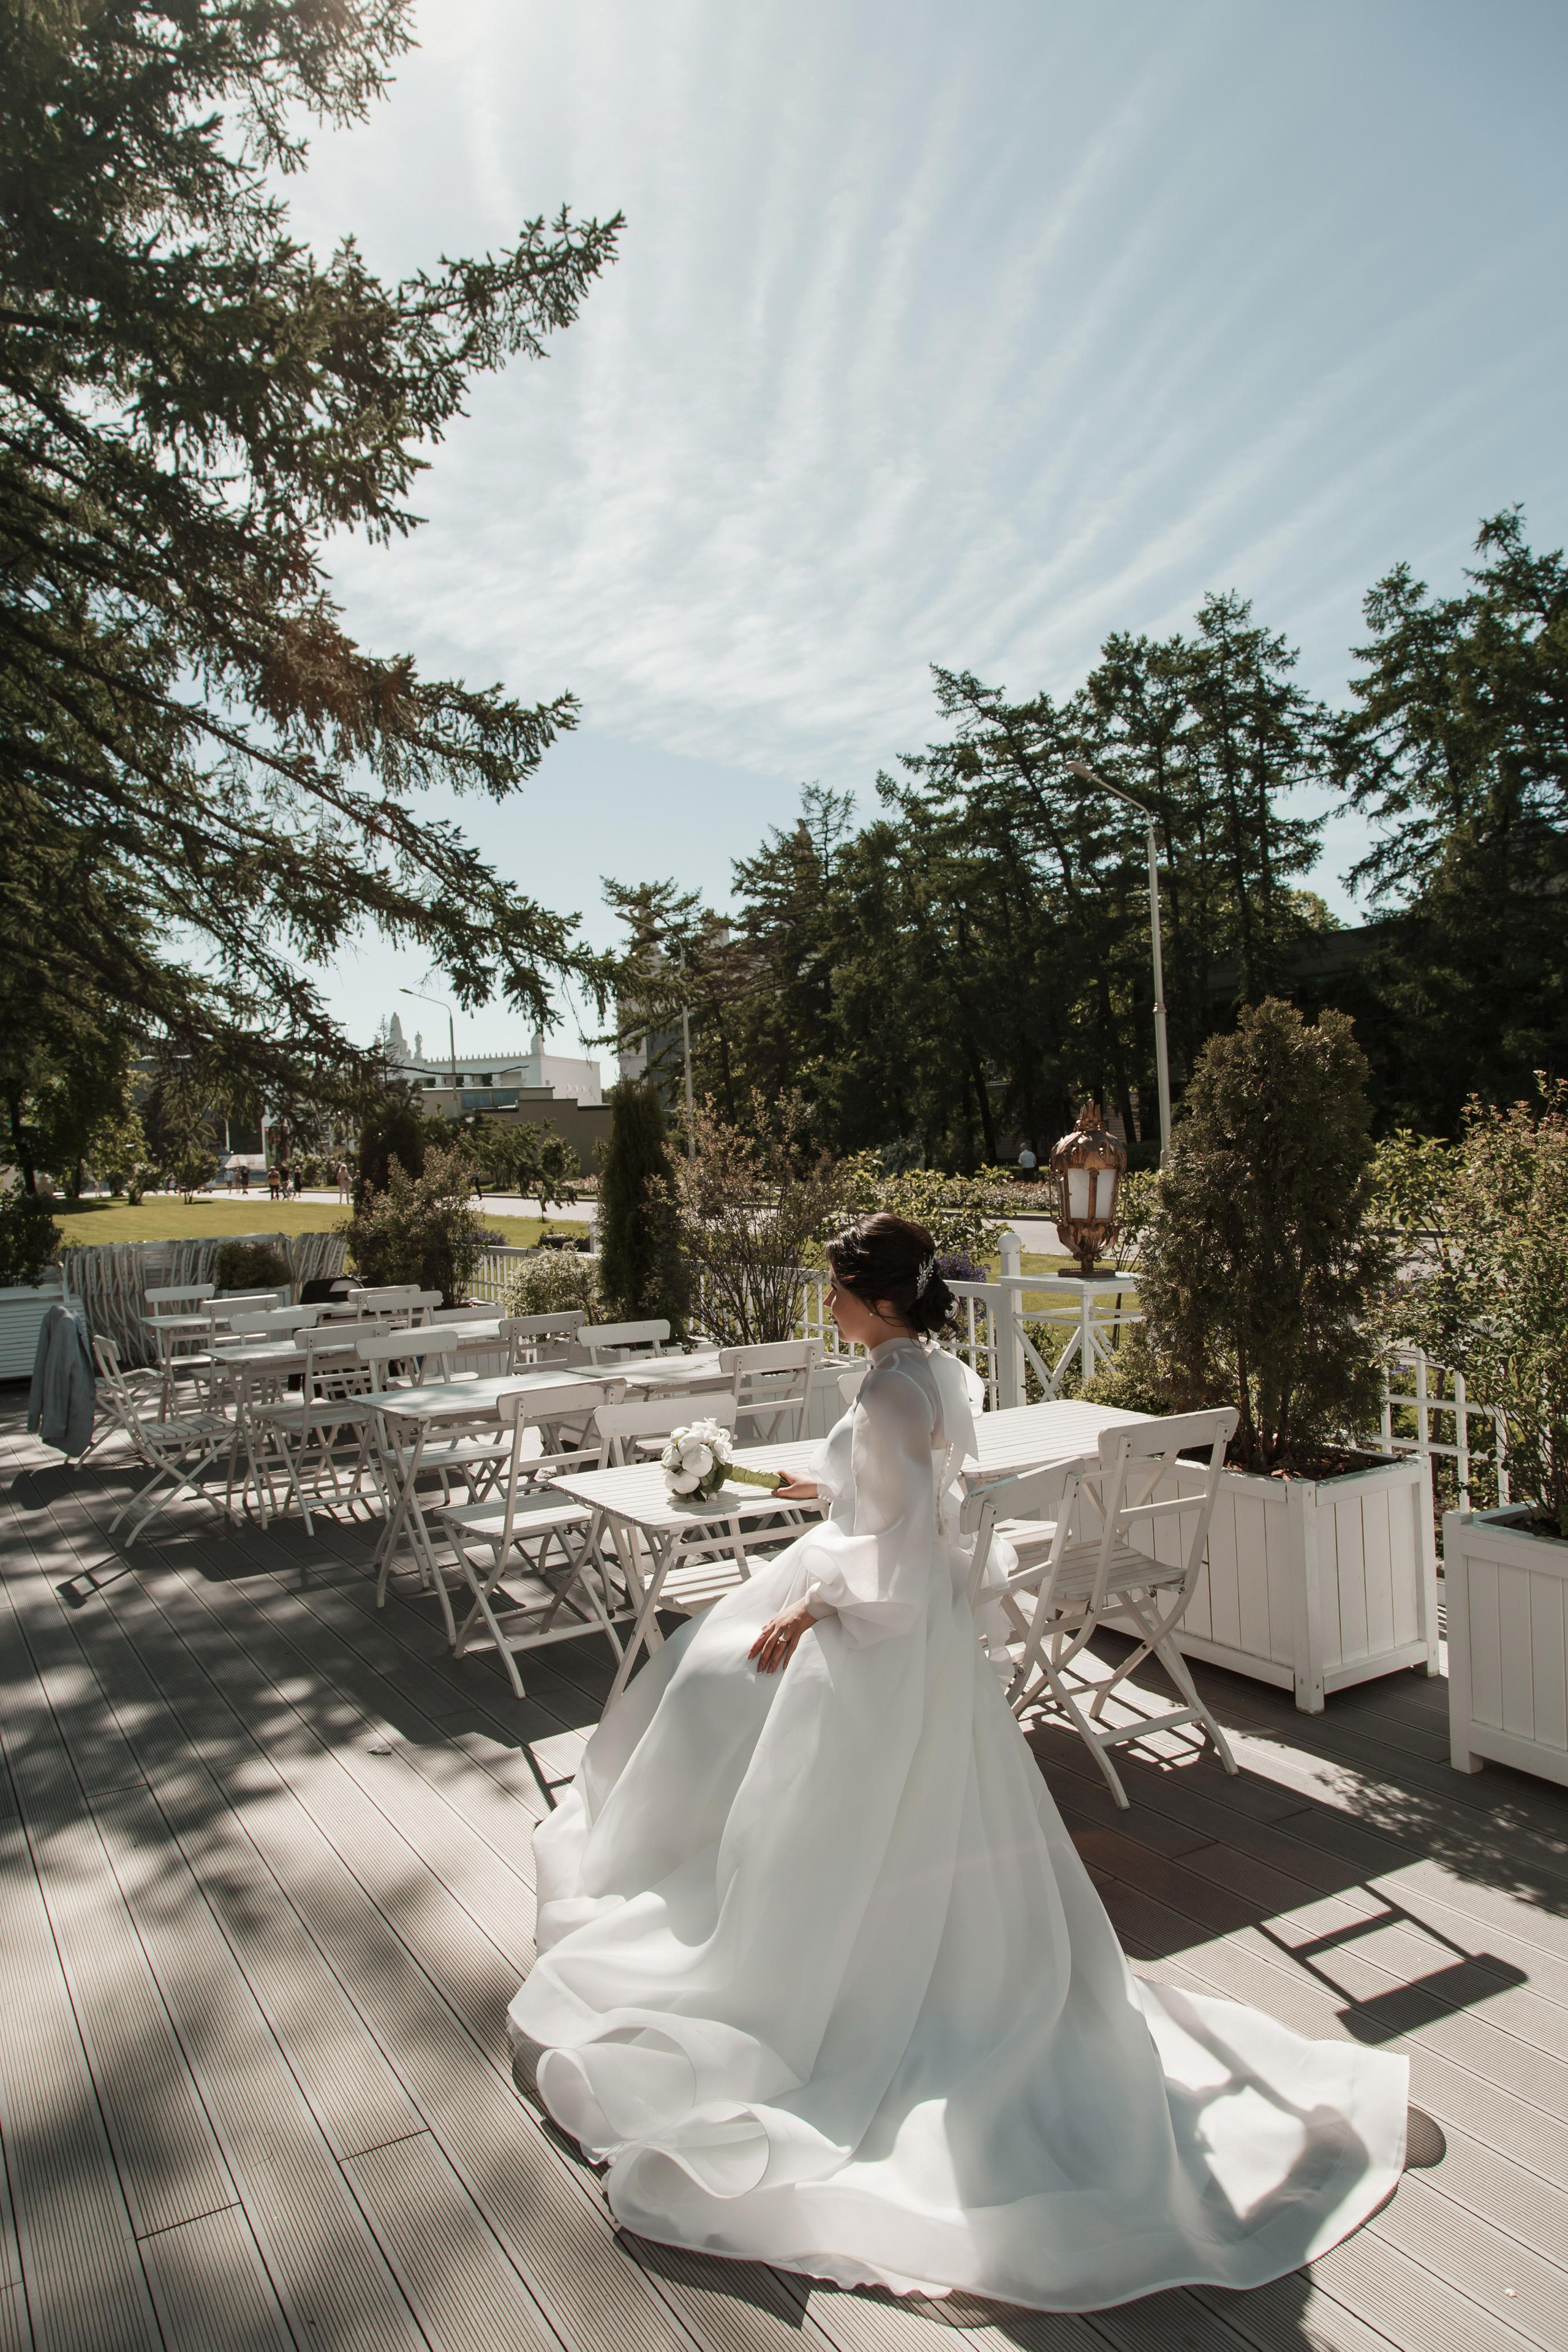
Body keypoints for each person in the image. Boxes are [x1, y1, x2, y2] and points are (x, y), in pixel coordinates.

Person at [510, 1213, 1410, 2313]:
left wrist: (808, 1605)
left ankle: (799, 1960)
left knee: (731, 1705)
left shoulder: (891, 1390)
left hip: (882, 1628)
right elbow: (909, 1503)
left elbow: (883, 1558)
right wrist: (818, 1495)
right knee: (902, 1793)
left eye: (836, 1288)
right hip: (925, 1621)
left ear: (879, 1299)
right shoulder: (930, 1369)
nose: (825, 1302)